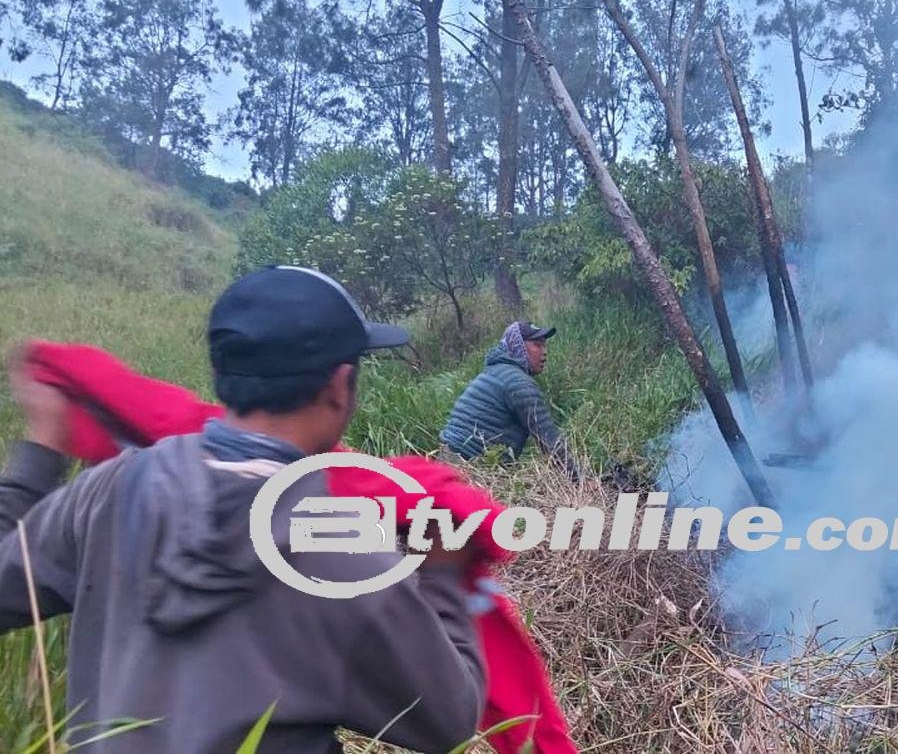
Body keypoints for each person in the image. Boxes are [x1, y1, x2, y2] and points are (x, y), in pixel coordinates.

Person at [0, 266, 485, 752]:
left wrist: (42, 447)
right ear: (339, 385)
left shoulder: (106, 490)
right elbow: (452, 721)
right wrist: (442, 568)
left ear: (221, 374)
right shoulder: (351, 560)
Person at [440, 321, 580, 479]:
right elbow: (549, 440)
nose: (544, 352)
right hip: (468, 468)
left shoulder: (495, 371)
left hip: (447, 458)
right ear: (517, 346)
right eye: (537, 345)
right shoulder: (518, 383)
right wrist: (580, 480)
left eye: (545, 345)